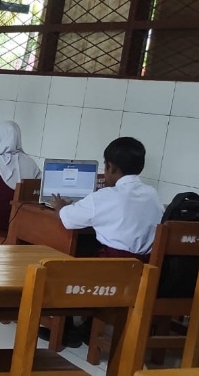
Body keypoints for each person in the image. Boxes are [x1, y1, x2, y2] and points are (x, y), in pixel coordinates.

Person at [47, 136, 163, 346]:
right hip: (144, 273)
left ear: (110, 167)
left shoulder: (105, 197)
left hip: (110, 276)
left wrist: (60, 207)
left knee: (61, 265)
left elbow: (68, 220)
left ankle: (66, 330)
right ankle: (87, 327)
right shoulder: (152, 195)